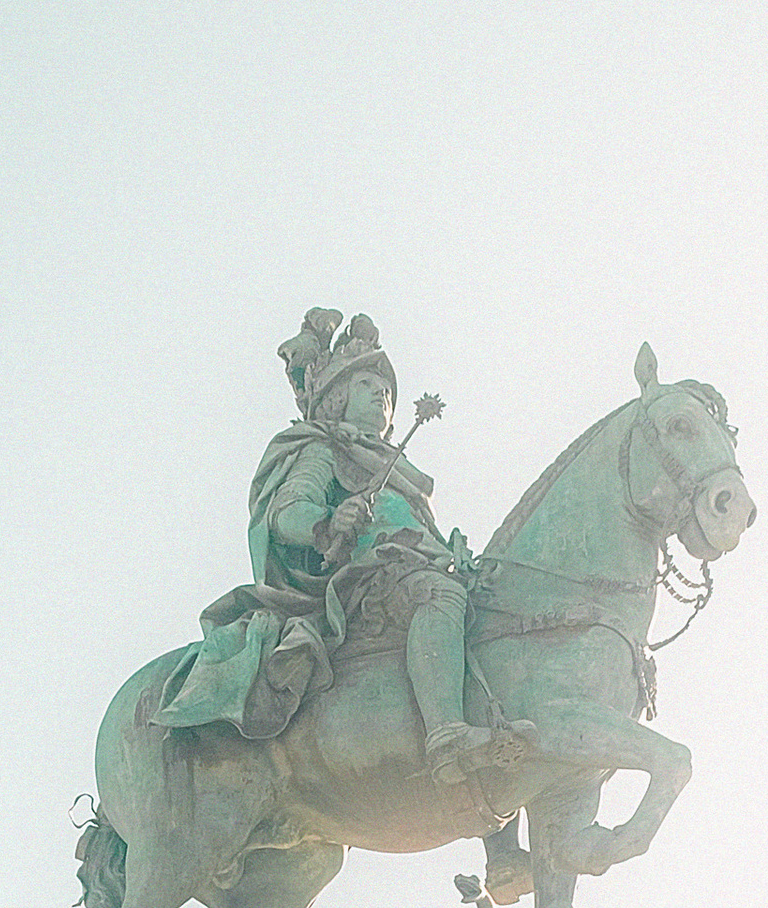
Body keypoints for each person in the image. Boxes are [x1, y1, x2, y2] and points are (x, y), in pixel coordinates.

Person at [157, 307, 530, 778]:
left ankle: (503, 838)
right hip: (364, 583)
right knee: (440, 594)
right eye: (367, 387)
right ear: (336, 399)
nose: (381, 396)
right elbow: (286, 512)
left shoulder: (399, 473)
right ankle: (447, 737)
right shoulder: (321, 447)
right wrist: (330, 522)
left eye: (387, 392)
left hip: (416, 567)